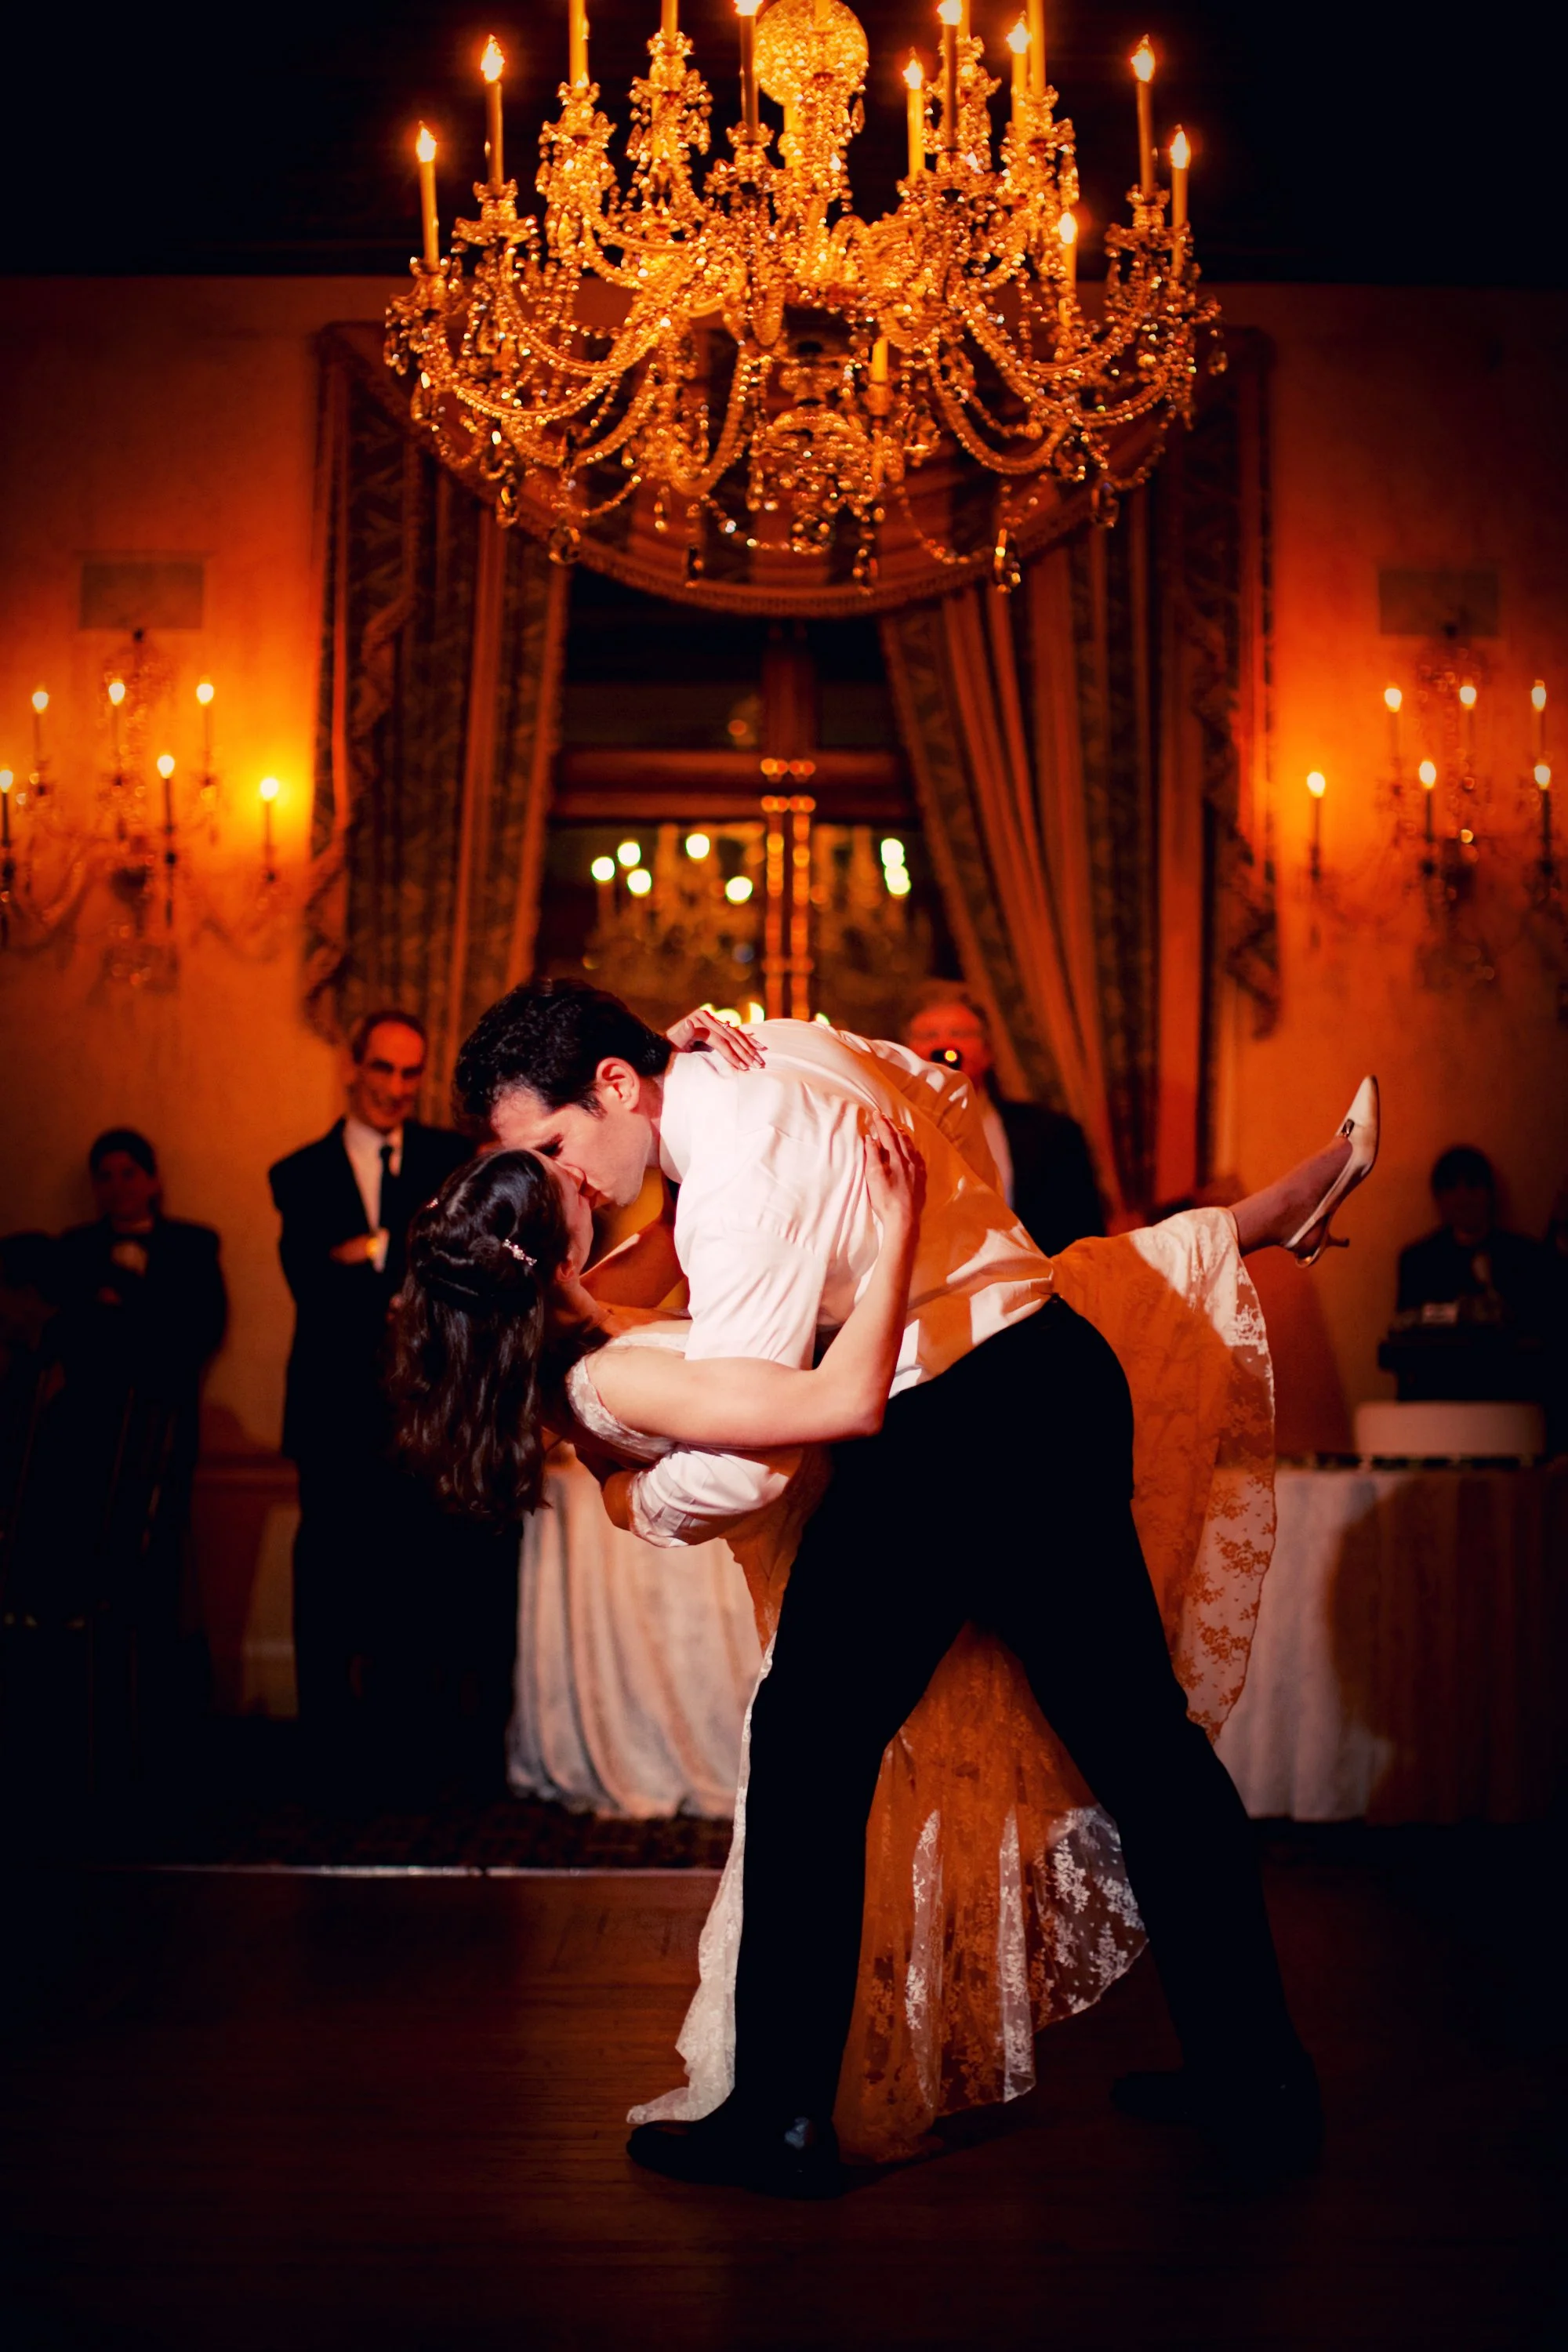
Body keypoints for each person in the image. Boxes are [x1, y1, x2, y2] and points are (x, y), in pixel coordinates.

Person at [405, 981, 1378, 2197]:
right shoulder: (783, 1049)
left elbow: (758, 1459)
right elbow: (947, 1089)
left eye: (552, 1147)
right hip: (1055, 1369)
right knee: (1143, 1745)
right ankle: (1258, 2079)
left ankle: (782, 2119)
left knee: (811, 1741)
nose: (565, 1183)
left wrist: (634, 1503)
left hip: (952, 1421)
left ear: (613, 1084)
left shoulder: (739, 1184)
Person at [269, 1011, 481, 1788]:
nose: (396, 1088)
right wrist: (398, 1261)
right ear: (354, 1068)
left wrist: (369, 1252)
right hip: (331, 1409)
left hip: (421, 1410)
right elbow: (312, 1286)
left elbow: (453, 1265)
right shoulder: (296, 1173)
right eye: (383, 1070)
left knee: (411, 1578)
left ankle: (406, 1754)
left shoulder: (448, 1159)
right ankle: (326, 1748)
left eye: (409, 1072)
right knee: (327, 1577)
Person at [51, 1131, 228, 1759]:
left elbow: (198, 1329)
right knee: (90, 1571)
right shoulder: (73, 1252)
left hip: (162, 1434)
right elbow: (68, 1337)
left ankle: (160, 1722)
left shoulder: (192, 1244)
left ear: (152, 1180)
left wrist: (123, 1302)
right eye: (107, 1175)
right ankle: (97, 1721)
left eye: (130, 1173)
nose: (119, 1186)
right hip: (90, 1443)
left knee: (161, 1573)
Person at [902, 982, 1103, 1253]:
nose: (944, 1045)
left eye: (959, 1033)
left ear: (988, 1052)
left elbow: (1082, 1234)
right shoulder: (888, 1129)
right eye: (928, 1035)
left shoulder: (1053, 1134)